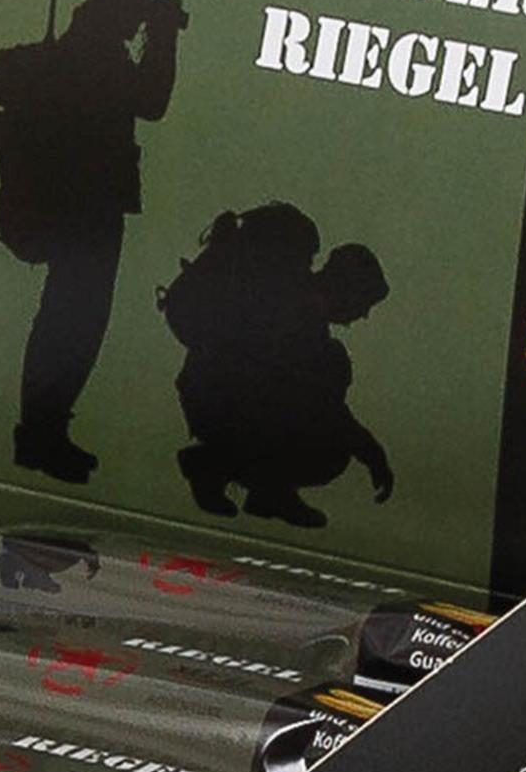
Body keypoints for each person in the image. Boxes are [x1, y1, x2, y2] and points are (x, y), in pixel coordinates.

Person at [0, 0, 186, 483]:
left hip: (64, 206)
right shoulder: (97, 56)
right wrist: (163, 34)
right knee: (73, 324)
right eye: (131, 7)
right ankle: (42, 434)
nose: (135, 19)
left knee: (65, 319)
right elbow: (153, 100)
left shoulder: (75, 51)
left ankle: (42, 432)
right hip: (85, 210)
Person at [164, 205, 395, 529]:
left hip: (209, 395)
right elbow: (320, 405)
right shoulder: (298, 316)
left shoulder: (294, 302)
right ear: (348, 292)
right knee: (330, 449)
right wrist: (369, 452)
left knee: (322, 401)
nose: (363, 315)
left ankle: (265, 490)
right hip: (218, 402)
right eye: (363, 304)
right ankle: (215, 467)